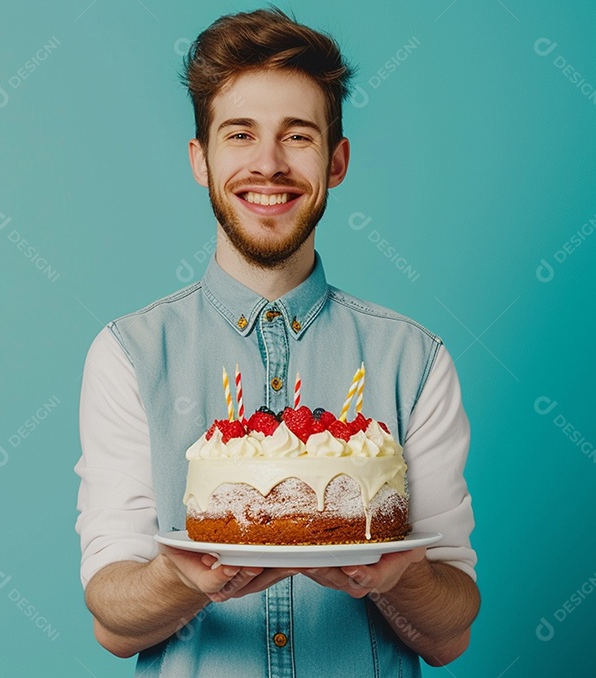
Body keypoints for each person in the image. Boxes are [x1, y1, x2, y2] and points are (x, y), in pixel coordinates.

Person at [74, 7, 479, 676]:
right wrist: (184, 580)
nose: (268, 164)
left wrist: (397, 577)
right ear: (200, 160)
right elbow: (113, 624)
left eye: (297, 136)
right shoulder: (128, 353)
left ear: (337, 160)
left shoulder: (415, 360)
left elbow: (449, 635)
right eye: (240, 134)